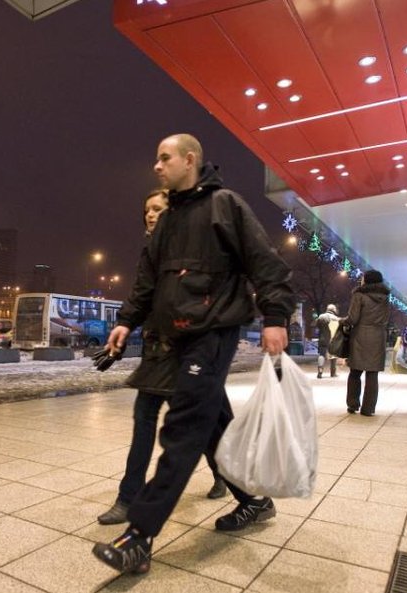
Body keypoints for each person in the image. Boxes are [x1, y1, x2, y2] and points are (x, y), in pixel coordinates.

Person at [92, 133, 295, 574]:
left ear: (190, 160)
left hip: (213, 332)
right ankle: (254, 501)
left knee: (182, 427)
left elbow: (265, 262)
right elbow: (148, 281)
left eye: (164, 158)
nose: (156, 166)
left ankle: (139, 536)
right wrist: (127, 320)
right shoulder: (166, 221)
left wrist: (276, 316)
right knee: (210, 428)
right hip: (174, 339)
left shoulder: (226, 206)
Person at [97, 189, 227, 527]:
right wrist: (123, 330)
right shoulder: (151, 251)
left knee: (208, 425)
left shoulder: (191, 245)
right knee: (145, 418)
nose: (151, 215)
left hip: (190, 350)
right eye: (147, 211)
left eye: (158, 208)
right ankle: (128, 498)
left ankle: (228, 478)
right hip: (159, 350)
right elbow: (142, 294)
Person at [345, 270, 390, 416]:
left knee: (355, 372)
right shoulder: (385, 297)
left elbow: (353, 318)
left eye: (363, 278)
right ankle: (368, 409)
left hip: (360, 336)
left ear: (367, 280)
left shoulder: (359, 295)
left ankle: (353, 404)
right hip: (378, 336)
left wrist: (341, 321)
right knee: (372, 374)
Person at [315, 303, 341, 378]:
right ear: (333, 310)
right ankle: (333, 372)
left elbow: (317, 326)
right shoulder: (336, 318)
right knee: (333, 356)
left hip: (323, 338)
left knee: (321, 354)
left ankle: (320, 370)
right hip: (332, 340)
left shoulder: (321, 316)